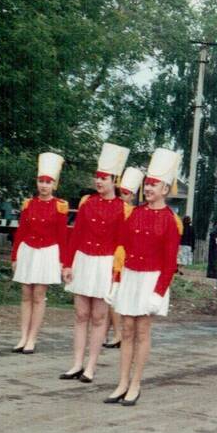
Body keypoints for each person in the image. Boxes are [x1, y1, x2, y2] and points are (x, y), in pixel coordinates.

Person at [104, 149, 182, 406]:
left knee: (142, 331)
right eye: (146, 183)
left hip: (151, 280)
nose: (148, 188)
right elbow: (121, 248)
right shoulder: (135, 213)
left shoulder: (171, 221)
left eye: (153, 184)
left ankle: (136, 383)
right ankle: (122, 382)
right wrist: (116, 280)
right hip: (130, 276)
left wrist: (158, 292)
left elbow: (170, 262)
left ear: (165, 188)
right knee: (126, 329)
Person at [58, 143, 130, 383]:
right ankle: (76, 363)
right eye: (97, 177)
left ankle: (91, 366)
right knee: (80, 314)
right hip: (84, 260)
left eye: (104, 178)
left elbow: (122, 244)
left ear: (114, 180)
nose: (99, 181)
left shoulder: (123, 209)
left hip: (105, 264)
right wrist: (67, 264)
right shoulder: (87, 202)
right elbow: (75, 234)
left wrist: (116, 272)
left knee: (99, 316)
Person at [10, 152, 67, 354]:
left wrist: (63, 261)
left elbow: (62, 236)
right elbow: (21, 231)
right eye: (41, 181)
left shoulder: (60, 206)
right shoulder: (28, 204)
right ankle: (23, 336)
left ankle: (33, 338)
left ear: (54, 184)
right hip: (28, 251)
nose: (44, 185)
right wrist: (15, 256)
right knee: (26, 294)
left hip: (47, 252)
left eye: (48, 182)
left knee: (39, 295)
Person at [103, 166, 143, 350]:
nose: (122, 196)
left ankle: (119, 334)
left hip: (121, 256)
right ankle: (106, 332)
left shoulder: (133, 212)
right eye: (121, 192)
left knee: (113, 295)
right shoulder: (114, 207)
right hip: (106, 253)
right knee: (106, 295)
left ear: (132, 196)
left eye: (126, 193)